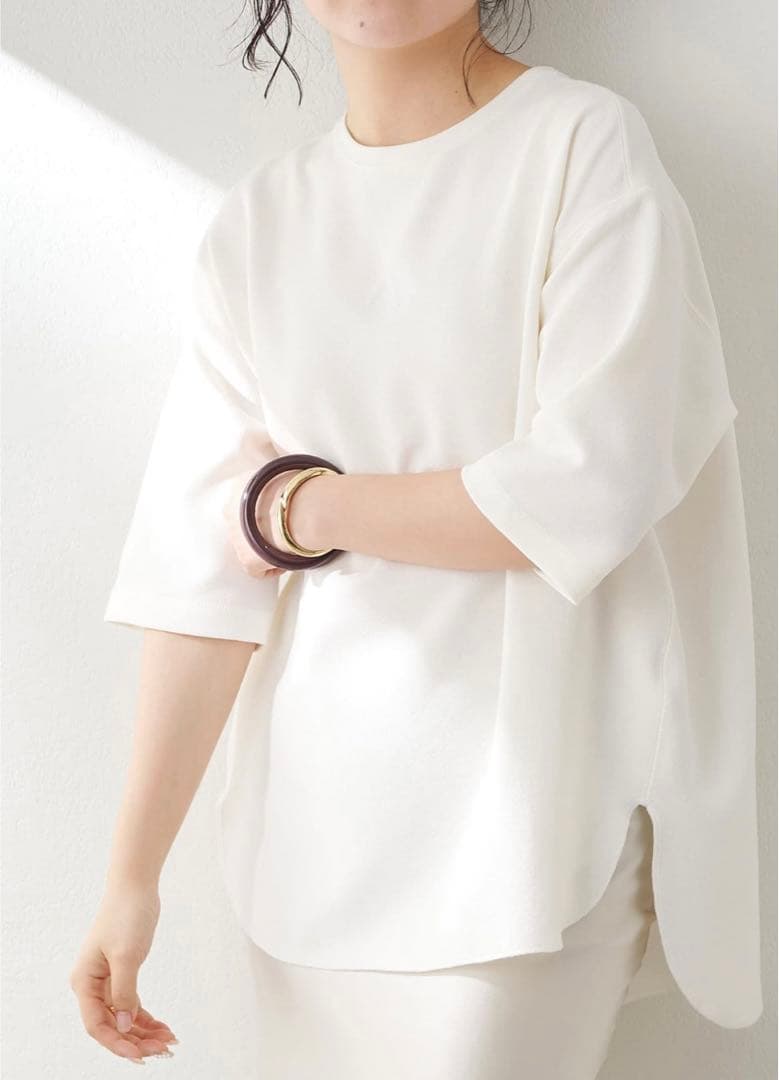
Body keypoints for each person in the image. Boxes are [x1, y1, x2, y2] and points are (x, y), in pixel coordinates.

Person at [68, 2, 763, 1076]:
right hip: (307, 845)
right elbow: (200, 584)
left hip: (526, 835)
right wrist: (130, 879)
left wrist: (302, 508)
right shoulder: (260, 222)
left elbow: (582, 489)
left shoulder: (578, 145)